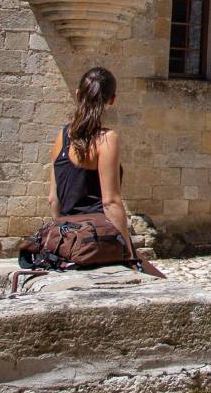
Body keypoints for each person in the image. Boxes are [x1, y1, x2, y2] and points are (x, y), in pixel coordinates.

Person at [51, 66, 161, 275]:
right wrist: (128, 252)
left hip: (68, 237)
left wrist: (62, 237)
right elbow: (110, 202)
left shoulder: (61, 138)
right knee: (158, 280)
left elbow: (53, 199)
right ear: (112, 100)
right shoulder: (106, 139)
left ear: (78, 94)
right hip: (97, 236)